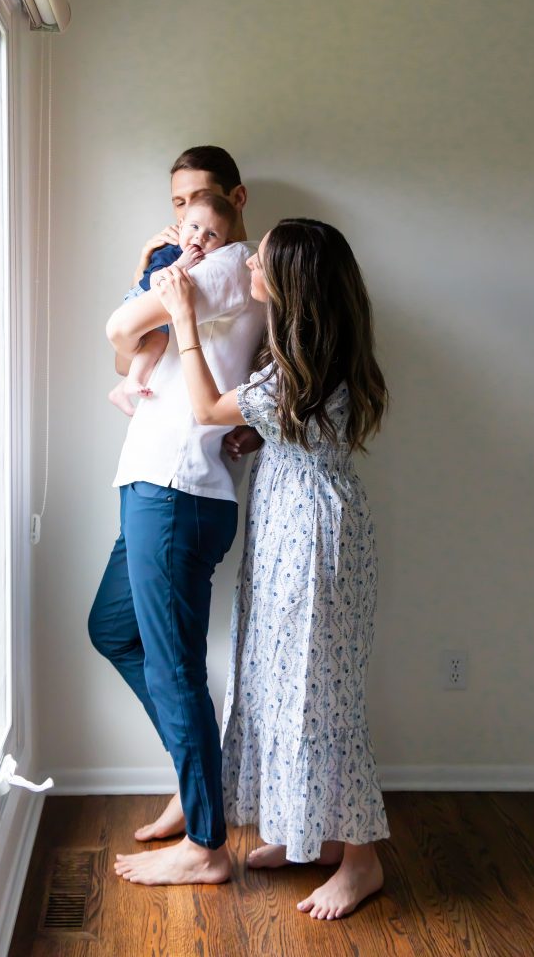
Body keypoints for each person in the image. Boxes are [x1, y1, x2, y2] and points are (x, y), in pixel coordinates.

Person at [147, 218, 390, 919]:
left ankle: (361, 861)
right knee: (280, 688)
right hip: (294, 525)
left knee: (317, 699)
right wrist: (264, 434)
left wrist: (184, 320)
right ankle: (299, 830)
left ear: (288, 281)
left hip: (309, 540)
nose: (248, 260)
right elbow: (293, 423)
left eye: (260, 257)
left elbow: (202, 409)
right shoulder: (308, 354)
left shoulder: (295, 363)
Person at [89, 146, 265, 886]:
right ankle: (199, 790)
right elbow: (133, 350)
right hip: (156, 483)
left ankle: (205, 844)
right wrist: (144, 305)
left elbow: (117, 330)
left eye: (200, 201)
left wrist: (147, 276)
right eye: (176, 206)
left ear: (234, 199)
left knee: (174, 669)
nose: (186, 221)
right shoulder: (203, 269)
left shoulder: (226, 263)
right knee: (113, 630)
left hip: (176, 488)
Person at [109, 192, 237, 416]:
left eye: (212, 234)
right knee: (158, 341)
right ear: (181, 225)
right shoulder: (170, 251)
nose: (200, 238)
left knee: (158, 350)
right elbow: (155, 280)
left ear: (226, 243)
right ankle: (130, 382)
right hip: (140, 296)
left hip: (157, 308)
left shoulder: (220, 261)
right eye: (194, 227)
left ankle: (124, 388)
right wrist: (181, 264)